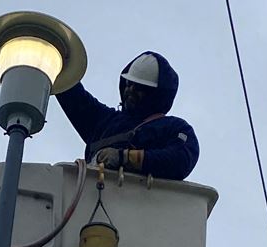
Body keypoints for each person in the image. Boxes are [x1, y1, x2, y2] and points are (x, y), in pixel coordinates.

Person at [56, 51, 199, 181]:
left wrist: (125, 158)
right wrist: (58, 62)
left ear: (156, 95)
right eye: (129, 83)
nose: (130, 90)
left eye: (139, 87)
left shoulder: (173, 128)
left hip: (140, 197)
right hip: (91, 193)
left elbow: (181, 159)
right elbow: (72, 94)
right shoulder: (105, 122)